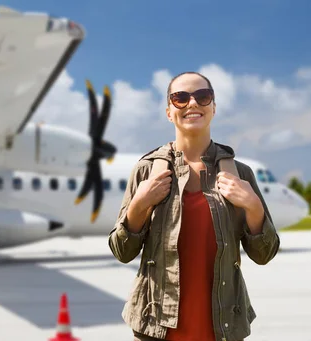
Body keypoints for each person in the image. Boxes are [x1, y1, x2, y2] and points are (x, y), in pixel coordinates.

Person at [108, 71, 280, 341]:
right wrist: (139, 205)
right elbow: (122, 251)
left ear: (213, 107)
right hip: (156, 330)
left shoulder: (241, 173)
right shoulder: (146, 171)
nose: (192, 104)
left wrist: (254, 207)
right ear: (168, 112)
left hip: (222, 329)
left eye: (203, 96)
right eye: (180, 98)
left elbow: (263, 255)